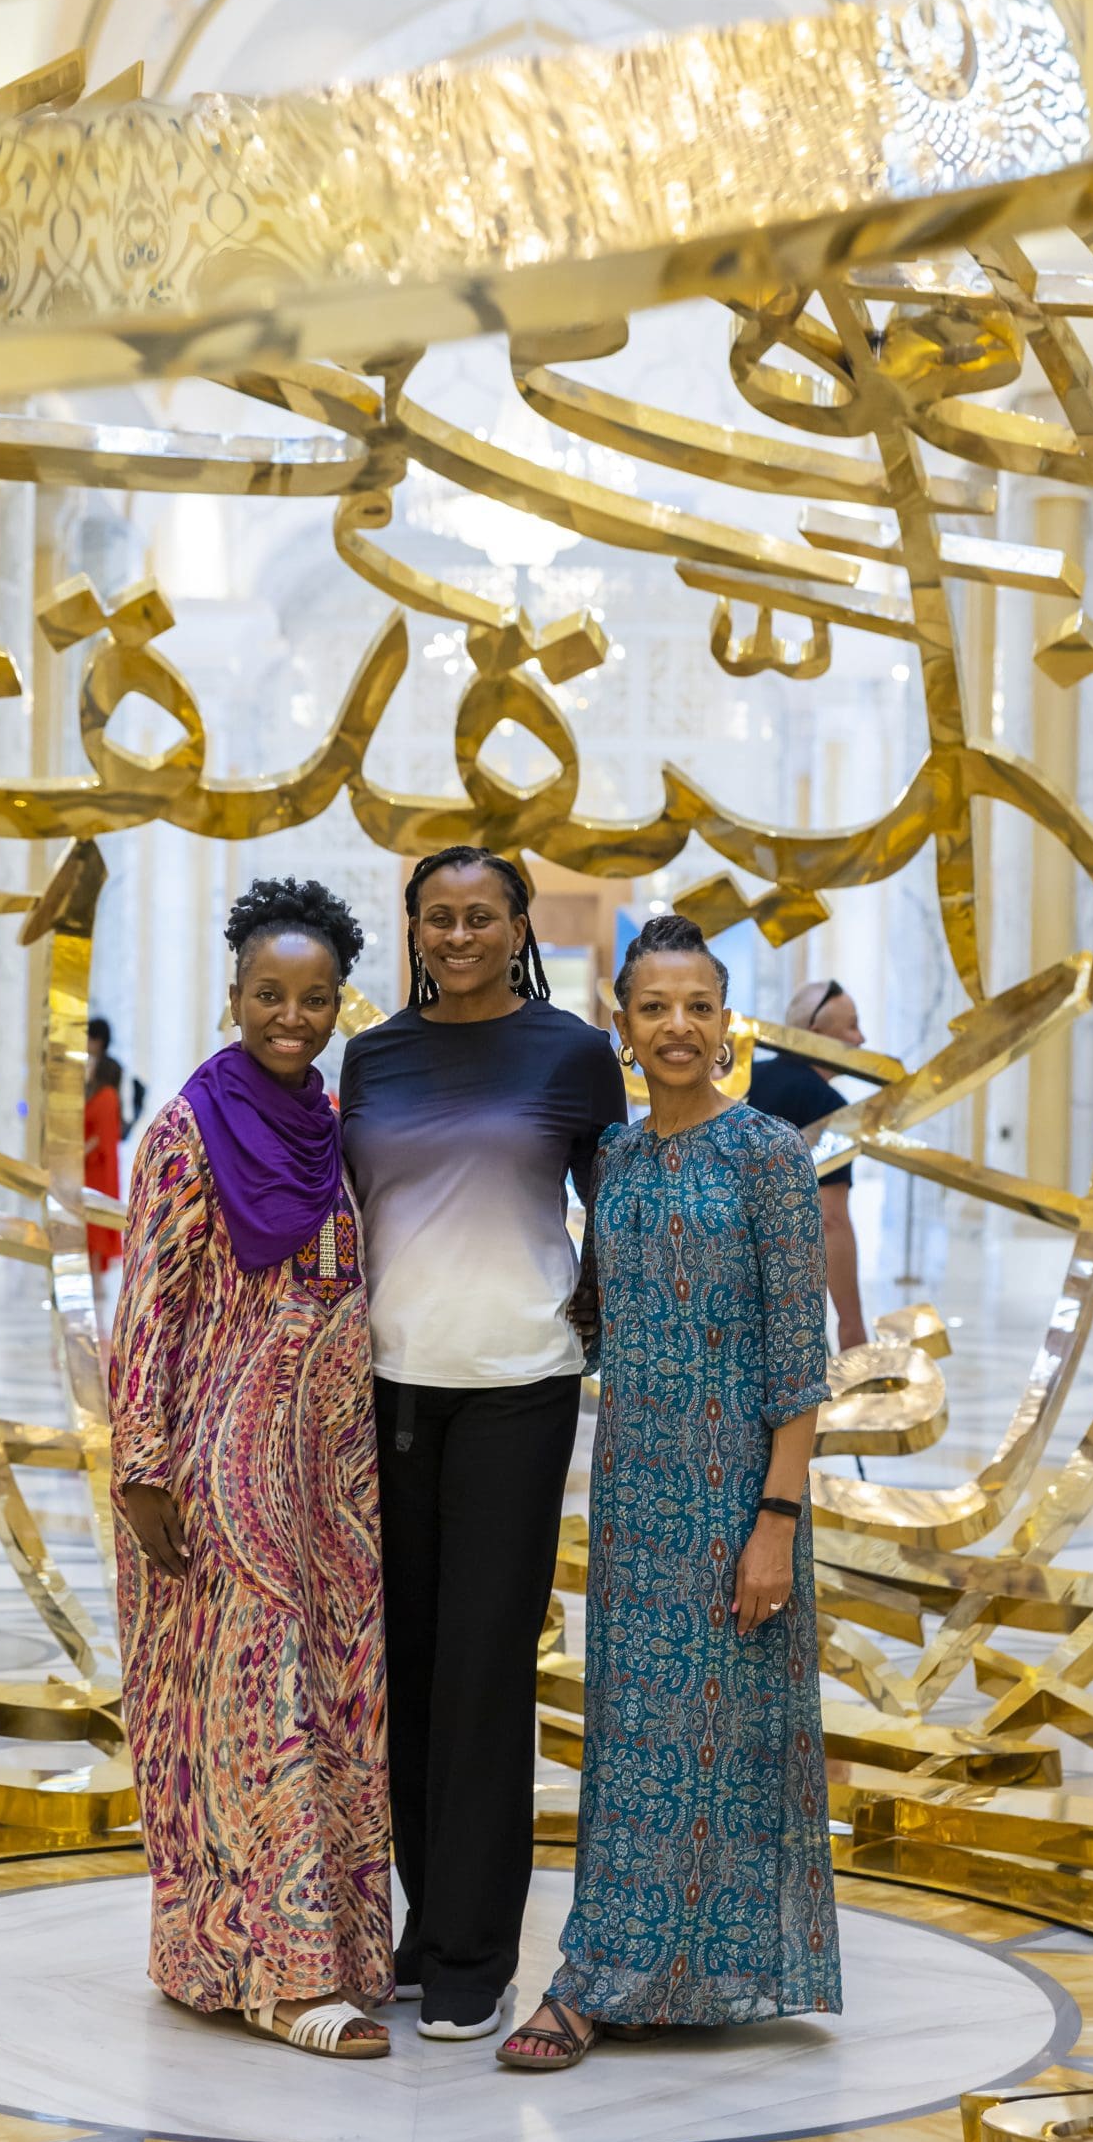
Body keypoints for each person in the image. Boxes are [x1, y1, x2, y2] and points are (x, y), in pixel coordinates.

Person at [503, 912, 841, 2069]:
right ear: (623, 1024)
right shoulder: (619, 1161)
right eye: (655, 1007)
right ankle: (636, 1970)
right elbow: (596, 1310)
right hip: (637, 1499)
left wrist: (774, 1523)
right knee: (638, 1744)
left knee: (724, 1744)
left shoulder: (769, 1156)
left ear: (727, 1019)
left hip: (741, 1502)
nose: (678, 1026)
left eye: (698, 1005)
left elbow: (801, 1355)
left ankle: (606, 1979)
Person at [339, 846, 627, 2041]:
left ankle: (475, 1952)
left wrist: (596, 1315)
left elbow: (615, 1205)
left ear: (519, 929)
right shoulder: (372, 1056)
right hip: (389, 1389)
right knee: (403, 1673)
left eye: (480, 917)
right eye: (436, 918)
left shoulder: (570, 1053)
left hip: (516, 1387)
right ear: (410, 929)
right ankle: (422, 1918)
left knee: (484, 1674)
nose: (456, 936)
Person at [108, 878, 392, 2059]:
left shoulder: (332, 1129)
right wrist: (141, 1461)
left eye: (314, 996)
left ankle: (328, 1949)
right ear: (231, 995)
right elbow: (149, 1303)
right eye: (268, 994)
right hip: (219, 1474)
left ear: (338, 1004)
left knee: (334, 1706)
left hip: (333, 1477)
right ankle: (278, 1978)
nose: (291, 1014)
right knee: (251, 1708)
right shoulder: (188, 1127)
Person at [748, 977, 868, 1350]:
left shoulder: (746, 1078)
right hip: (785, 1298)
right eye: (851, 1025)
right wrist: (851, 1324)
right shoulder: (828, 1105)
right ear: (816, 1033)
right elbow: (830, 1219)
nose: (860, 1039)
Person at [85, 1022, 124, 1303]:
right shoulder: (100, 1095)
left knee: (95, 1222)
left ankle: (96, 1282)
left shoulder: (106, 1097)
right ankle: (92, 1279)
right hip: (92, 1167)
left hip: (97, 1168)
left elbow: (101, 1136)